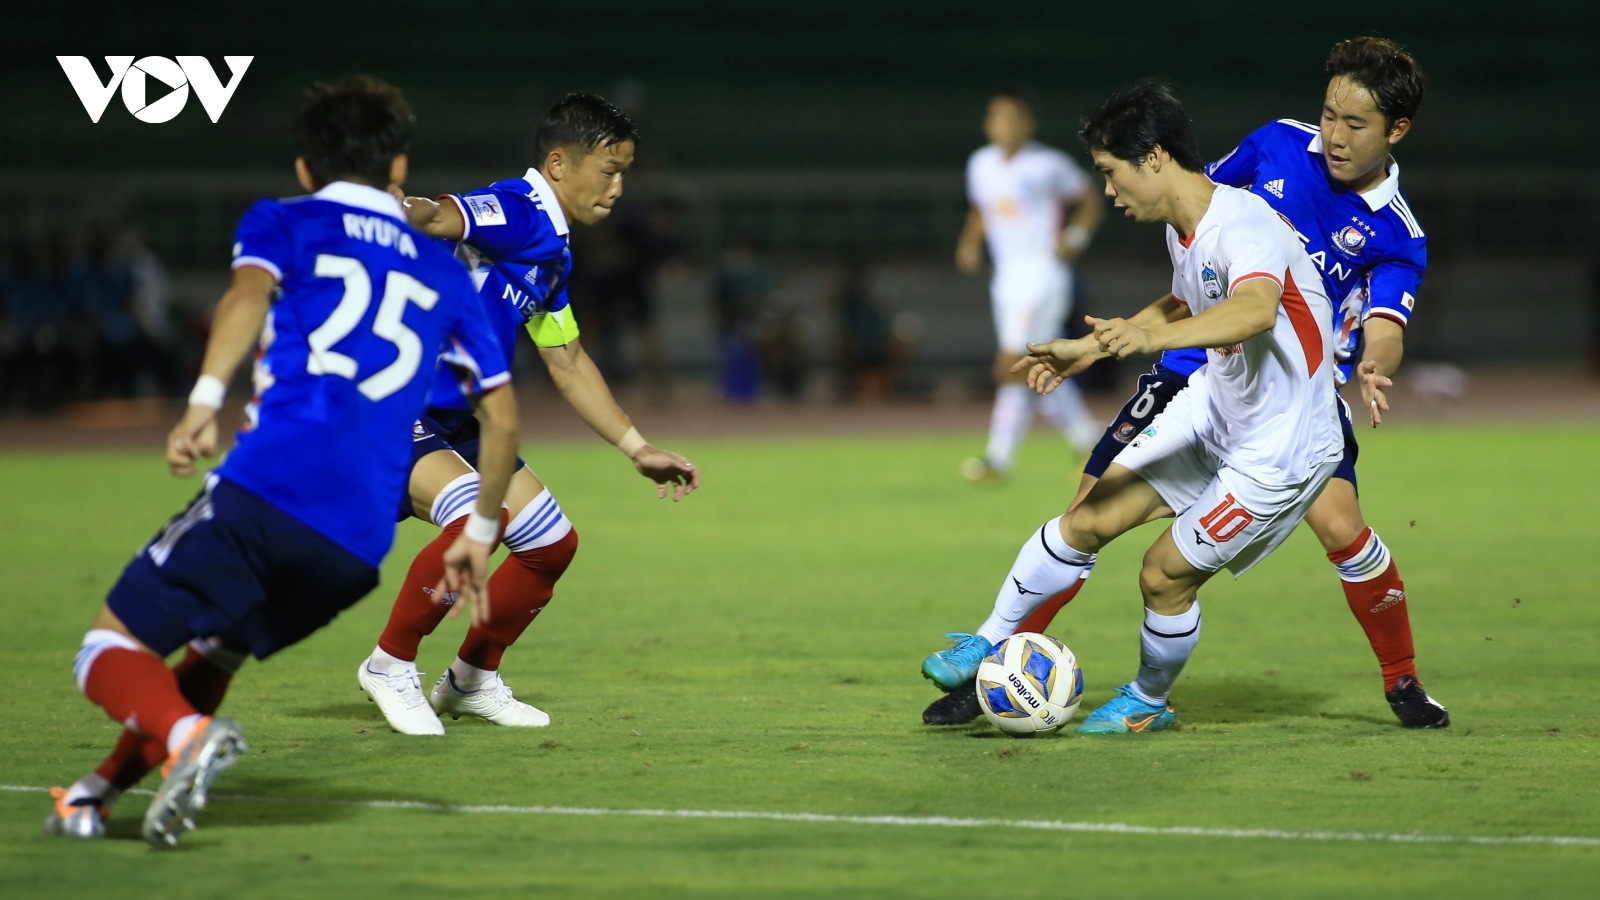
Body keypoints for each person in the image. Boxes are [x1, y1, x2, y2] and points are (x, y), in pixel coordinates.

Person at [922, 38, 1448, 731]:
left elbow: (1338, 316)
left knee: (1311, 533)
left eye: (1355, 124)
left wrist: (1378, 363)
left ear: (1395, 130)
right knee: (1087, 511)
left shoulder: (1382, 230)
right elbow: (1199, 235)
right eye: (1329, 116)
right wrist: (1095, 344)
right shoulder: (1266, 160)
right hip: (1208, 374)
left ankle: (1395, 679)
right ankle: (996, 655)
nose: (1334, 135)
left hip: (1288, 407)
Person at [46, 76, 518, 846]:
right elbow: (501, 416)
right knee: (216, 647)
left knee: (106, 649)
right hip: (358, 539)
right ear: (399, 168)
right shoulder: (441, 268)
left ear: (306, 167)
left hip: (272, 486)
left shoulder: (286, 221)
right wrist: (479, 529)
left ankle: (187, 738)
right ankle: (96, 797)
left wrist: (202, 400)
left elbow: (243, 299)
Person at [357, 92, 699, 735]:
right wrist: (379, 205)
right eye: (610, 170)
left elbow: (567, 360)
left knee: (549, 544)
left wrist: (637, 448)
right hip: (394, 402)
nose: (620, 187)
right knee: (474, 522)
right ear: (560, 163)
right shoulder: (517, 209)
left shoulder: (553, 254)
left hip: (457, 419)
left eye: (625, 171)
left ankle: (469, 680)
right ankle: (388, 663)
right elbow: (437, 217)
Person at [957, 89, 1105, 482]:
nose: (1002, 126)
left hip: (1042, 276)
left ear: (1026, 123)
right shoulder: (980, 164)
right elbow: (980, 209)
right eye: (995, 118)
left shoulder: (1047, 164)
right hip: (1005, 279)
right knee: (1035, 365)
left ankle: (999, 458)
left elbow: (1089, 199)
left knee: (1008, 364)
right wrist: (970, 241)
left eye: (1010, 118)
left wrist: (1073, 240)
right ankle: (1089, 441)